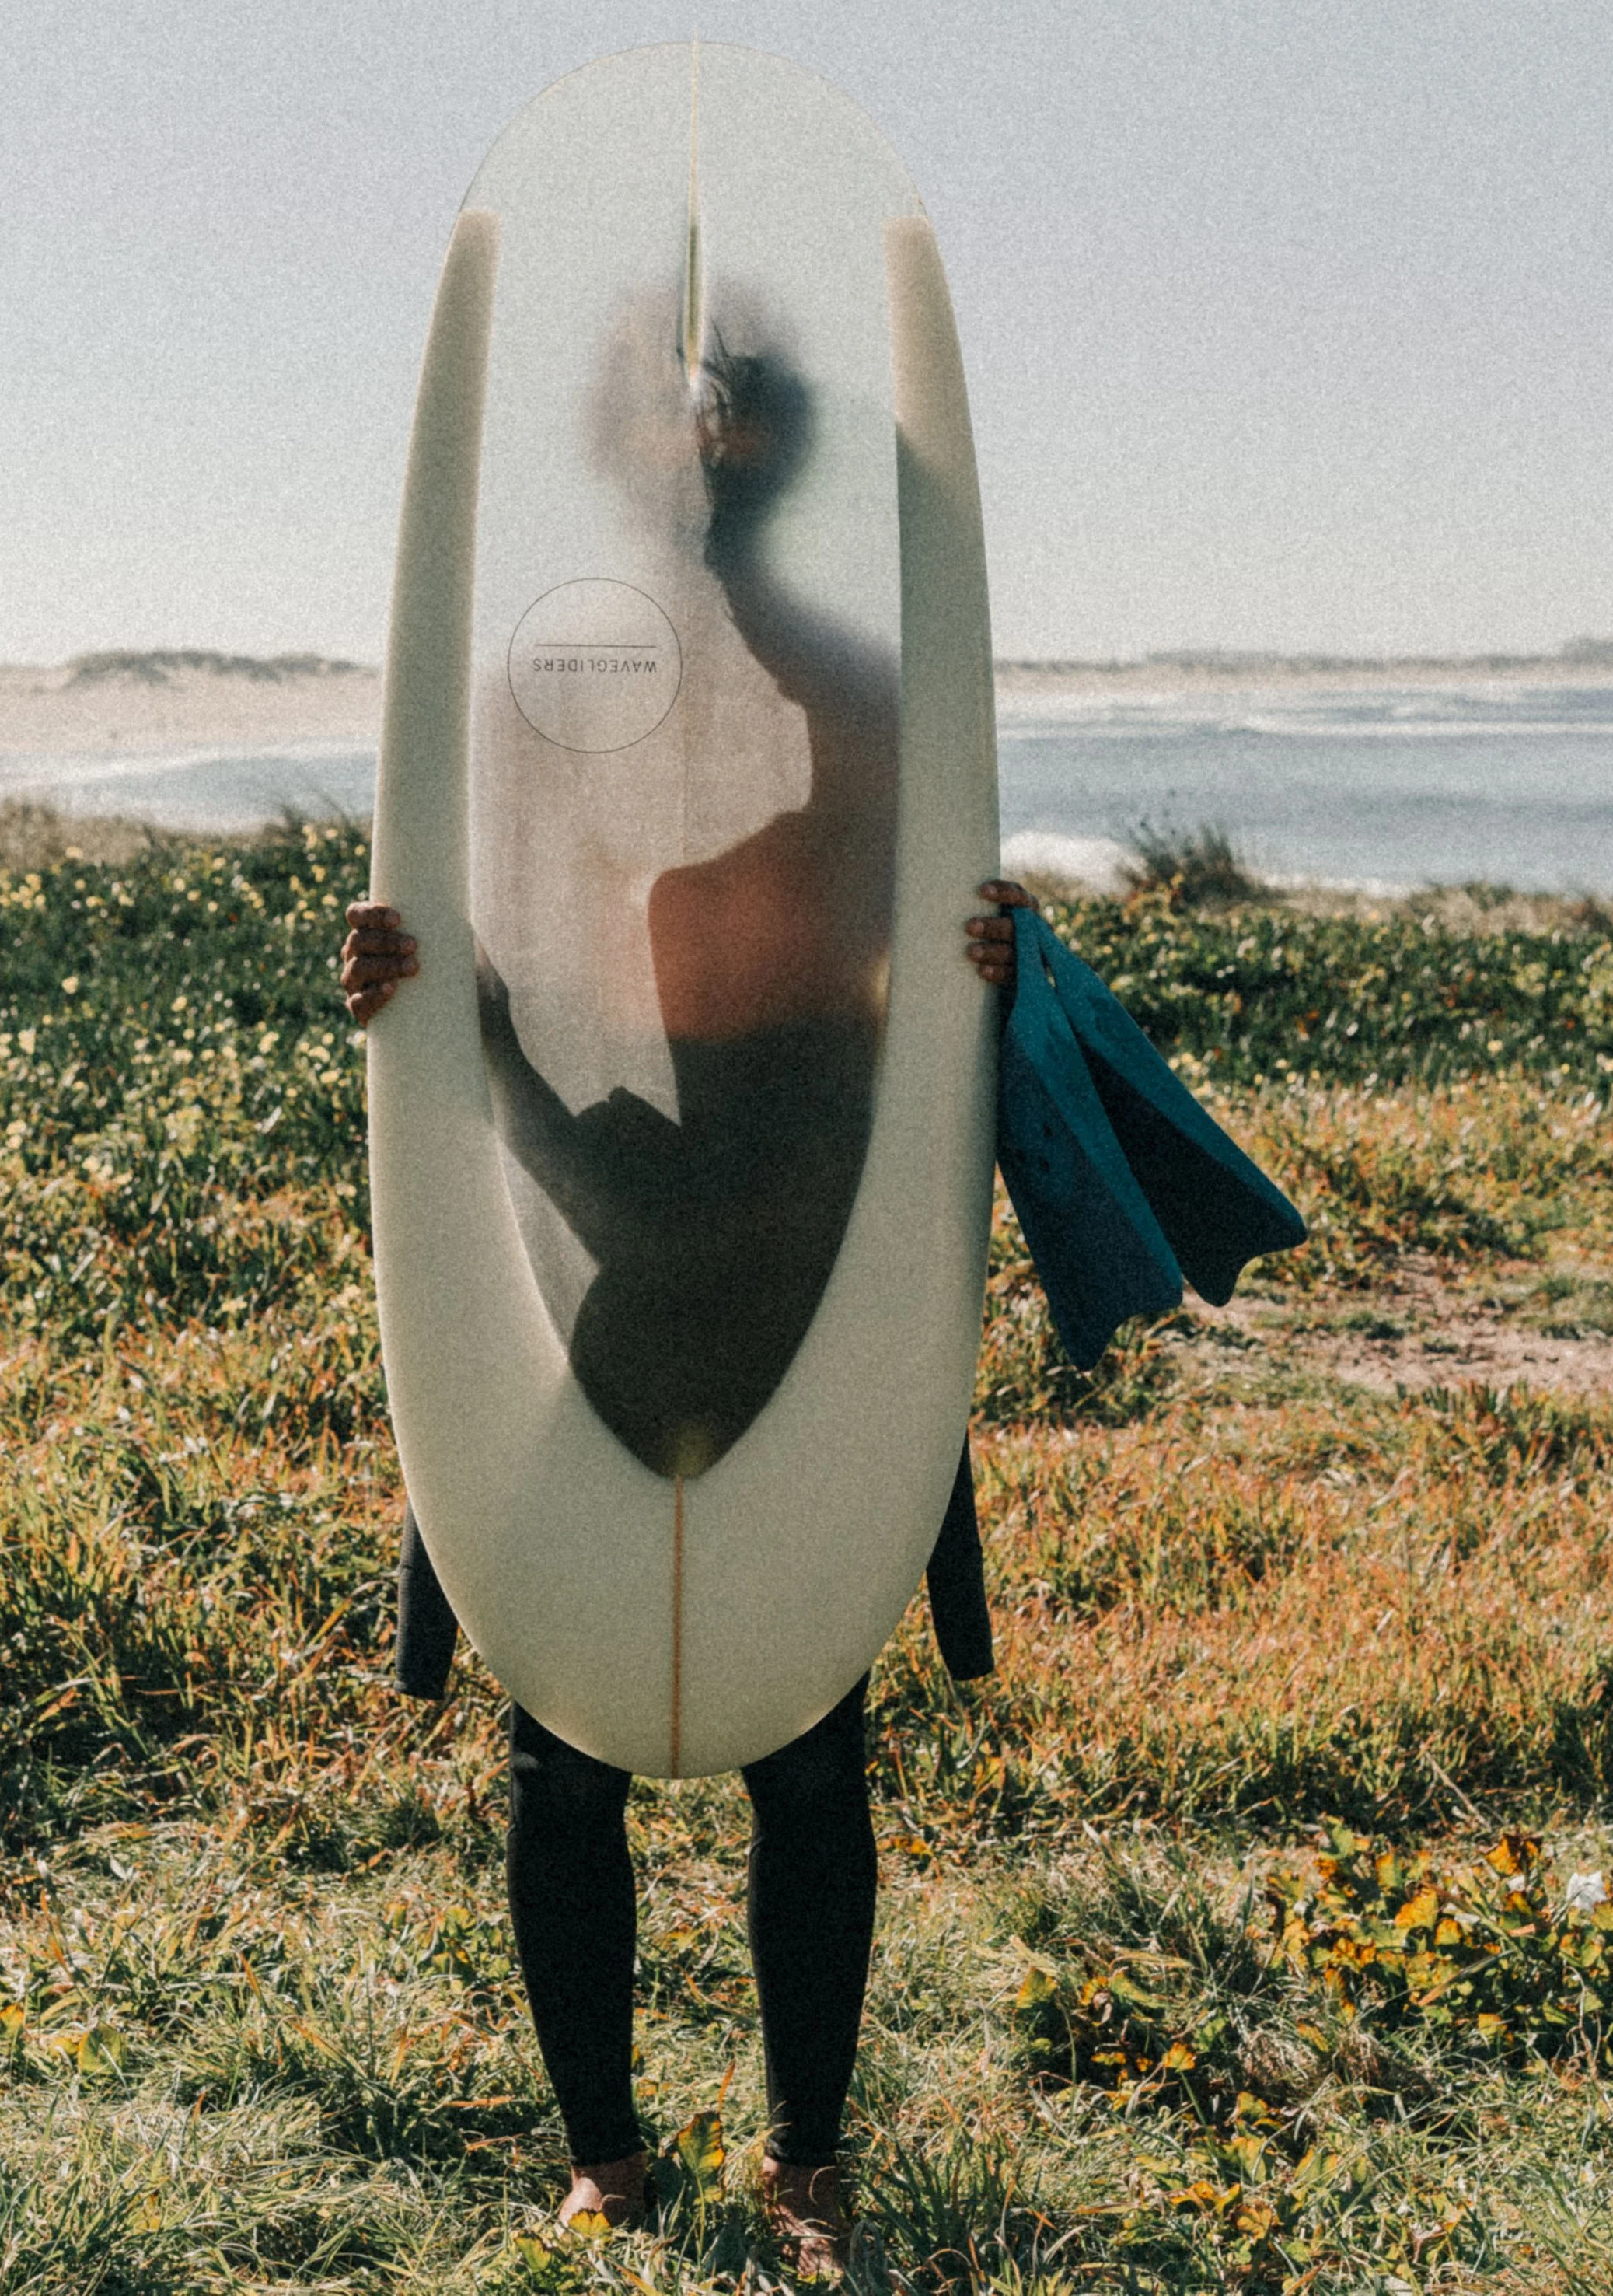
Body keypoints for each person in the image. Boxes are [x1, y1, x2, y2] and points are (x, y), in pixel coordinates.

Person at [338, 874, 1033, 2276]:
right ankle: (603, 2162)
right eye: (672, 952)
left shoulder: (844, 1030)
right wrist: (409, 998)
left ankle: (807, 2166)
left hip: (807, 1367)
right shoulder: (619, 1040)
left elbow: (945, 1108)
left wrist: (1006, 980)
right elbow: (550, 1159)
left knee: (810, 1754)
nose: (690, 971)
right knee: (565, 1759)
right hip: (595, 1380)